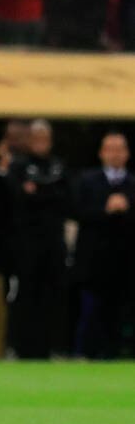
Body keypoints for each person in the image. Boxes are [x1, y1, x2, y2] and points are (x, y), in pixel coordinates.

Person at [5, 120, 71, 360]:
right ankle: (20, 348)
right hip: (26, 244)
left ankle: (53, 347)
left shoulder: (58, 165)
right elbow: (17, 198)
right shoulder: (18, 166)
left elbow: (66, 199)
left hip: (53, 243)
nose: (41, 144)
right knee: (25, 294)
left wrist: (38, 193)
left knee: (53, 295)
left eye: (45, 139)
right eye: (36, 139)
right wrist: (45, 194)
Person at [72, 132, 133, 360]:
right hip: (93, 262)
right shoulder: (87, 181)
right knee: (90, 311)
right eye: (110, 149)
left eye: (120, 149)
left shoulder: (132, 183)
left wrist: (126, 210)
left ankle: (117, 353)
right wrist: (105, 210)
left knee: (120, 313)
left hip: (125, 262)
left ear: (127, 154)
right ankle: (84, 352)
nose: (115, 154)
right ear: (101, 153)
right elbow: (76, 211)